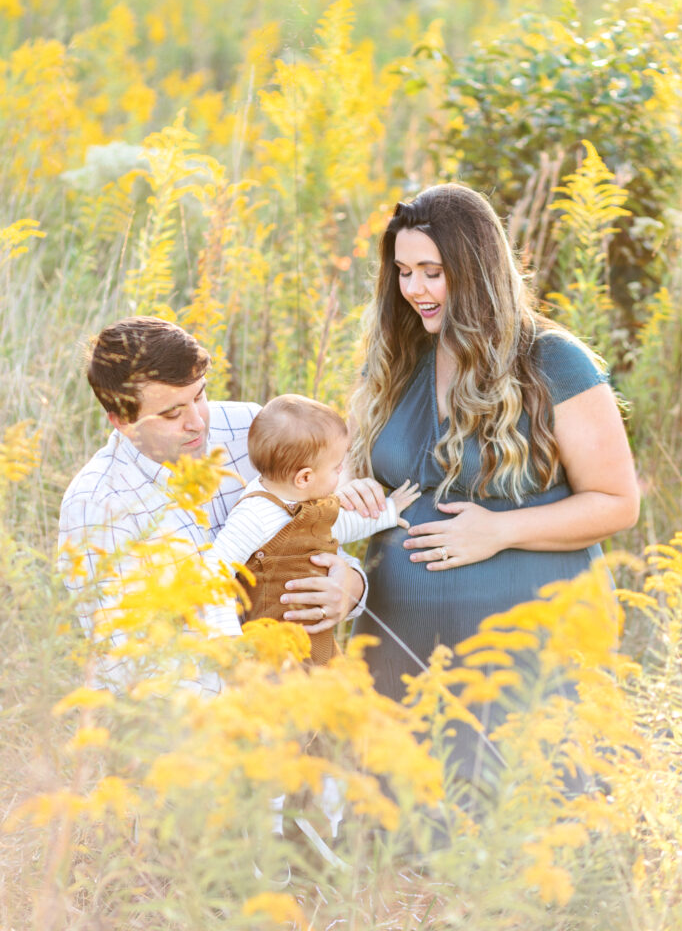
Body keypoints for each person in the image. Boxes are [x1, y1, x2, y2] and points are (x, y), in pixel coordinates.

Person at [344, 183, 640, 774]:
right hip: (405, 647)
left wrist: (499, 531)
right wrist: (353, 491)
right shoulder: (397, 357)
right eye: (403, 272)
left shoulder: (552, 360)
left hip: (525, 655)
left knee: (519, 835)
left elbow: (616, 503)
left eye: (432, 272)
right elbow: (358, 471)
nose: (414, 290)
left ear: (474, 268)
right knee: (397, 840)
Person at [58, 317, 369, 674]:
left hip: (299, 682)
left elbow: (319, 534)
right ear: (122, 422)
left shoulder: (251, 428)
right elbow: (125, 659)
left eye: (200, 395)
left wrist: (351, 586)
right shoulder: (96, 506)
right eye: (172, 413)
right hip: (189, 715)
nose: (197, 422)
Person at [211, 394, 420, 664]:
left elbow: (338, 525)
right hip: (273, 648)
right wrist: (226, 636)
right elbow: (214, 571)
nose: (342, 473)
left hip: (315, 639)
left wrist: (390, 512)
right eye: (336, 468)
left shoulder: (306, 501)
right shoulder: (254, 515)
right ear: (305, 477)